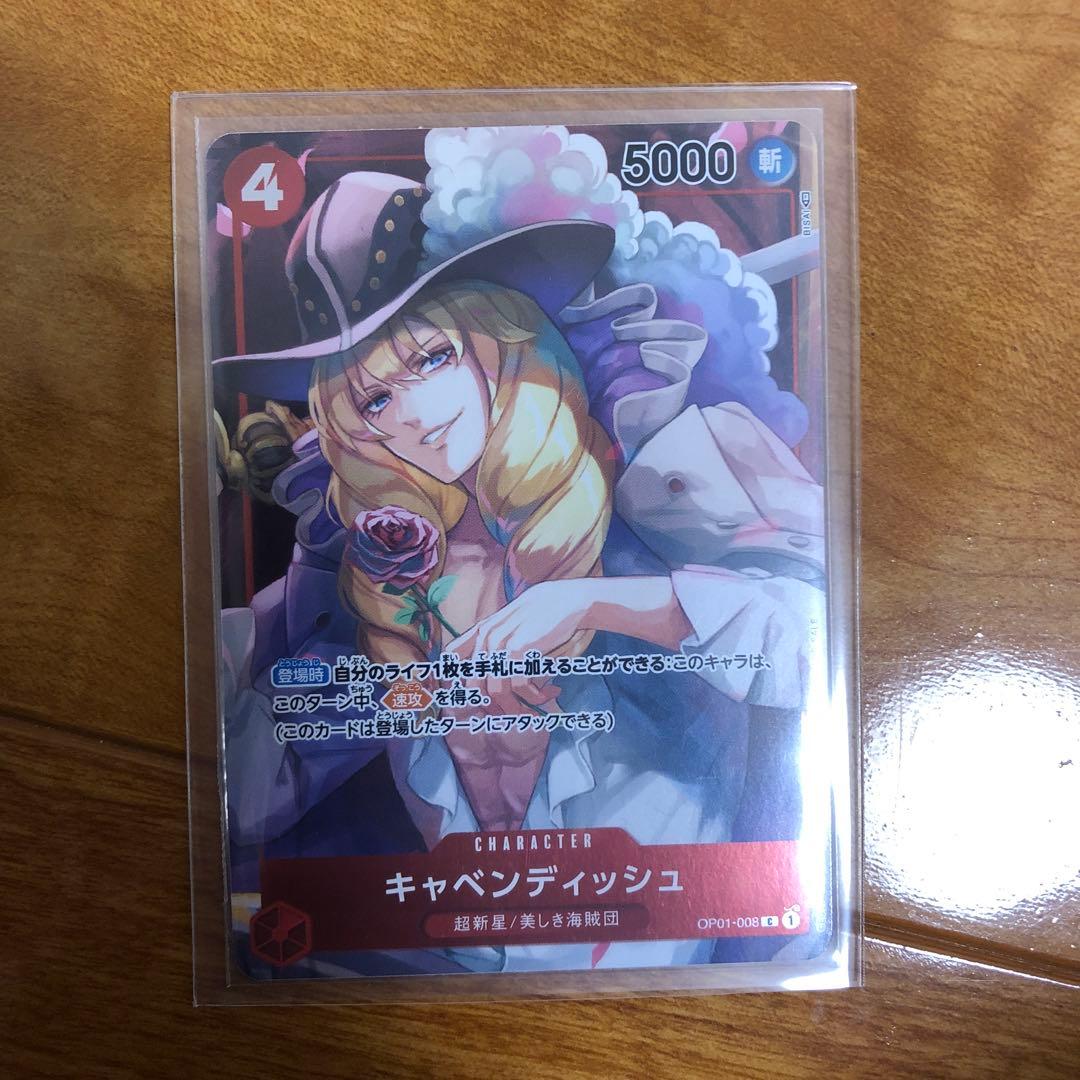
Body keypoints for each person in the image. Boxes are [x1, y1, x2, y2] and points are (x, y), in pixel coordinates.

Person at [216, 170, 826, 974]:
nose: (411, 415)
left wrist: (595, 603)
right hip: (450, 971)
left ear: (497, 340)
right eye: (374, 401)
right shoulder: (360, 562)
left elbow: (816, 647)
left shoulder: (657, 456)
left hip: (677, 945)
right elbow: (247, 787)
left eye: (433, 357)